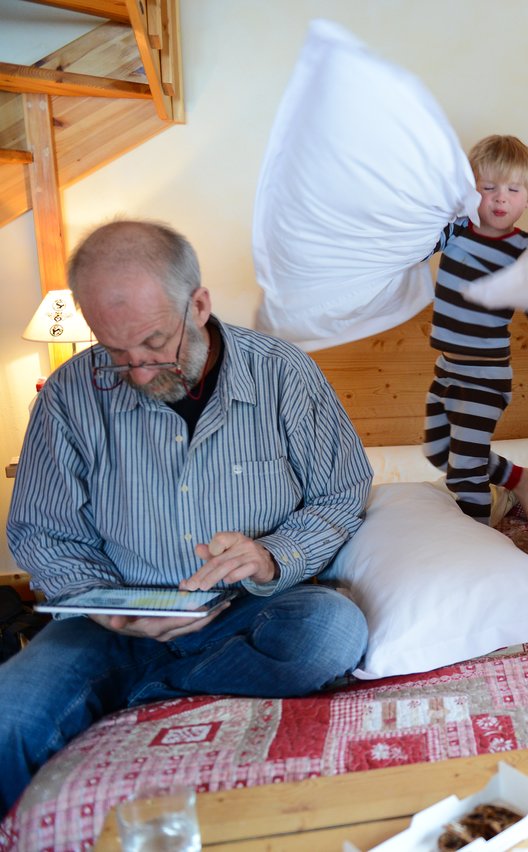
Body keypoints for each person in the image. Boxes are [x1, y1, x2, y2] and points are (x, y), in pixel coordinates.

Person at [0, 220, 372, 814]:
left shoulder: (283, 374)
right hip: (109, 623)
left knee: (332, 631)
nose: (140, 372)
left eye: (153, 343)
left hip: (245, 611)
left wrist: (271, 554)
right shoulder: (70, 395)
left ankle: (137, 692)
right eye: (116, 352)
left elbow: (341, 493)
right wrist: (101, 604)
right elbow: (43, 533)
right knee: (7, 719)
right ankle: (138, 676)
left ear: (198, 304)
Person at [423, 134, 528, 524]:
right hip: (448, 367)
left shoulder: (523, 250)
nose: (499, 199)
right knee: (438, 453)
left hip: (486, 374)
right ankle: (519, 477)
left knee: (464, 472)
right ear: (470, 192)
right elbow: (413, 246)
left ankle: (476, 541)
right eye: (488, 188)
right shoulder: (457, 230)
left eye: (513, 190)